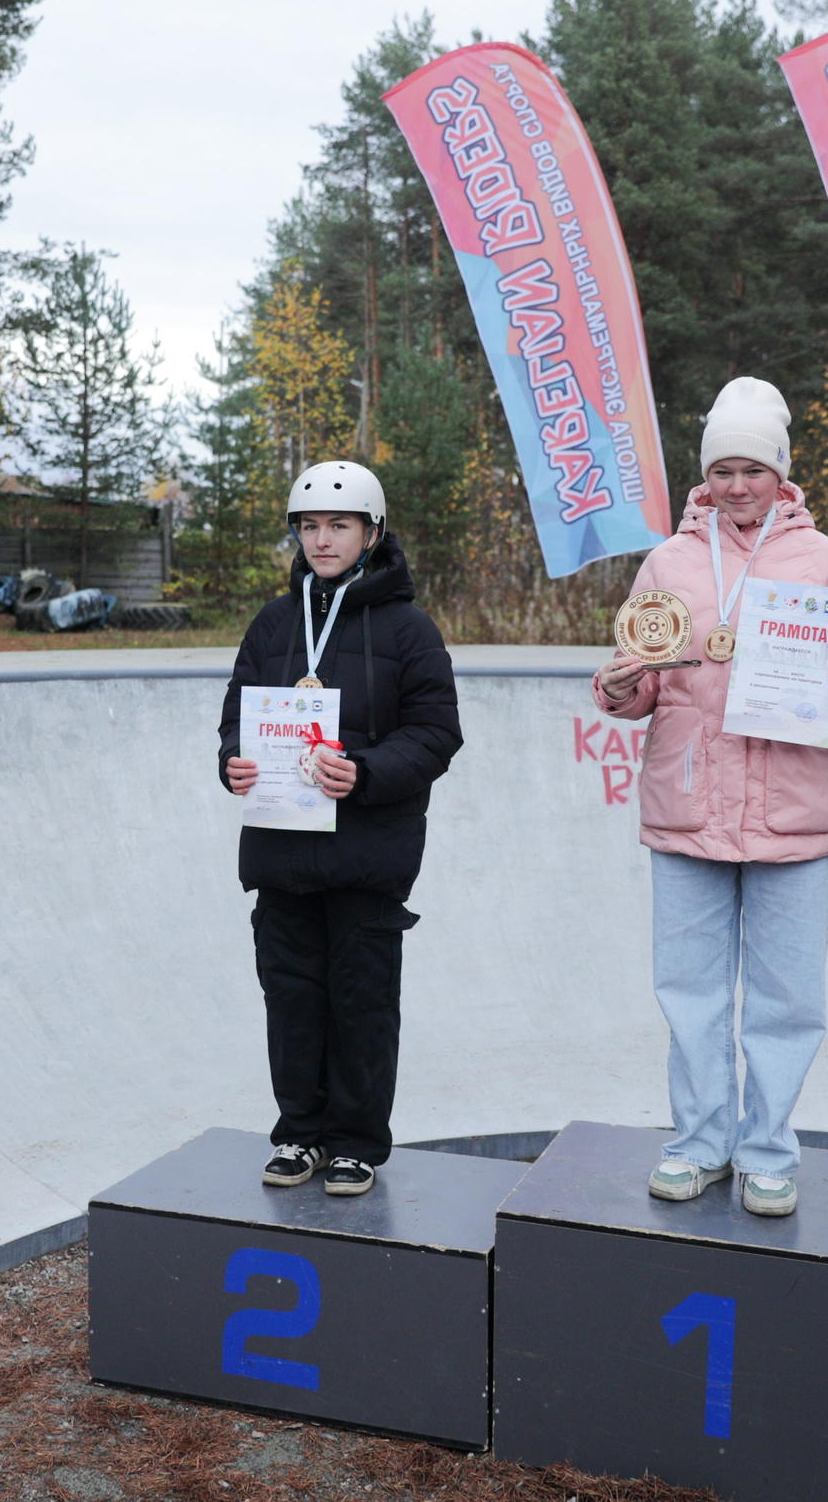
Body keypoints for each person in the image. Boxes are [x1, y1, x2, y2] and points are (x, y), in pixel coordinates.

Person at [592, 377, 828, 1218]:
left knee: (786, 999)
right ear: (704, 475)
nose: (735, 485)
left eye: (752, 469)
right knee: (687, 991)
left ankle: (768, 1151)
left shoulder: (825, 561)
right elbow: (642, 682)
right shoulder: (668, 562)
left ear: (781, 474)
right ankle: (697, 1143)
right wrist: (619, 685)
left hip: (792, 811)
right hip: (687, 809)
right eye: (721, 469)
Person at [219, 462, 462, 1197]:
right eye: (310, 526)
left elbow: (435, 735)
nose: (322, 539)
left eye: (339, 525)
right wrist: (231, 761)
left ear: (372, 532)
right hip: (283, 854)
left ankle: (356, 1141)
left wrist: (364, 771)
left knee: (360, 1001)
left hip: (366, 857)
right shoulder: (271, 622)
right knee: (291, 999)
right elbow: (235, 715)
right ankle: (300, 1131)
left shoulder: (410, 630)